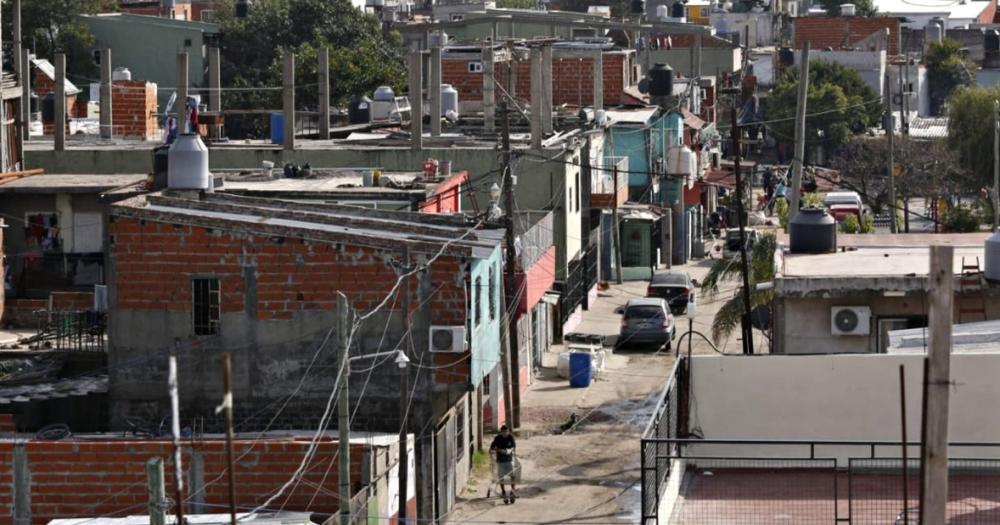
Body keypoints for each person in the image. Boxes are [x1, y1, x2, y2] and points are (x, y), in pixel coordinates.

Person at [490, 425, 517, 503]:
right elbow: (492, 448)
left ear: (508, 431)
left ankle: (512, 491)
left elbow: (514, 447)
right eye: (503, 432)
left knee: (512, 476)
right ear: (501, 432)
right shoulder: (497, 438)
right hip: (500, 461)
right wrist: (499, 450)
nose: (505, 433)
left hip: (509, 460)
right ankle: (503, 491)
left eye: (506, 432)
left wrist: (510, 450)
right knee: (501, 477)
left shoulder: (510, 437)